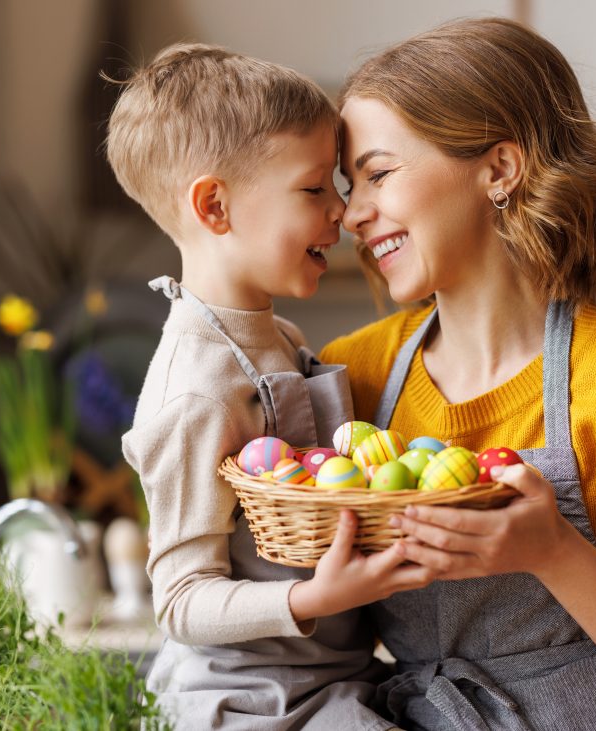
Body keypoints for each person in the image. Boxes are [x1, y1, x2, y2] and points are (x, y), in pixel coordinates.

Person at [321, 17, 596, 730]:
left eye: (377, 172)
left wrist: (553, 551)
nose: (353, 213)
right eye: (349, 183)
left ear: (498, 169)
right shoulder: (355, 375)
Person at [110, 44, 430, 730]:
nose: (342, 212)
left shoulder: (277, 335)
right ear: (215, 205)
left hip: (334, 676)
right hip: (254, 698)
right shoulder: (196, 387)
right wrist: (311, 597)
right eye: (315, 189)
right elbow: (181, 599)